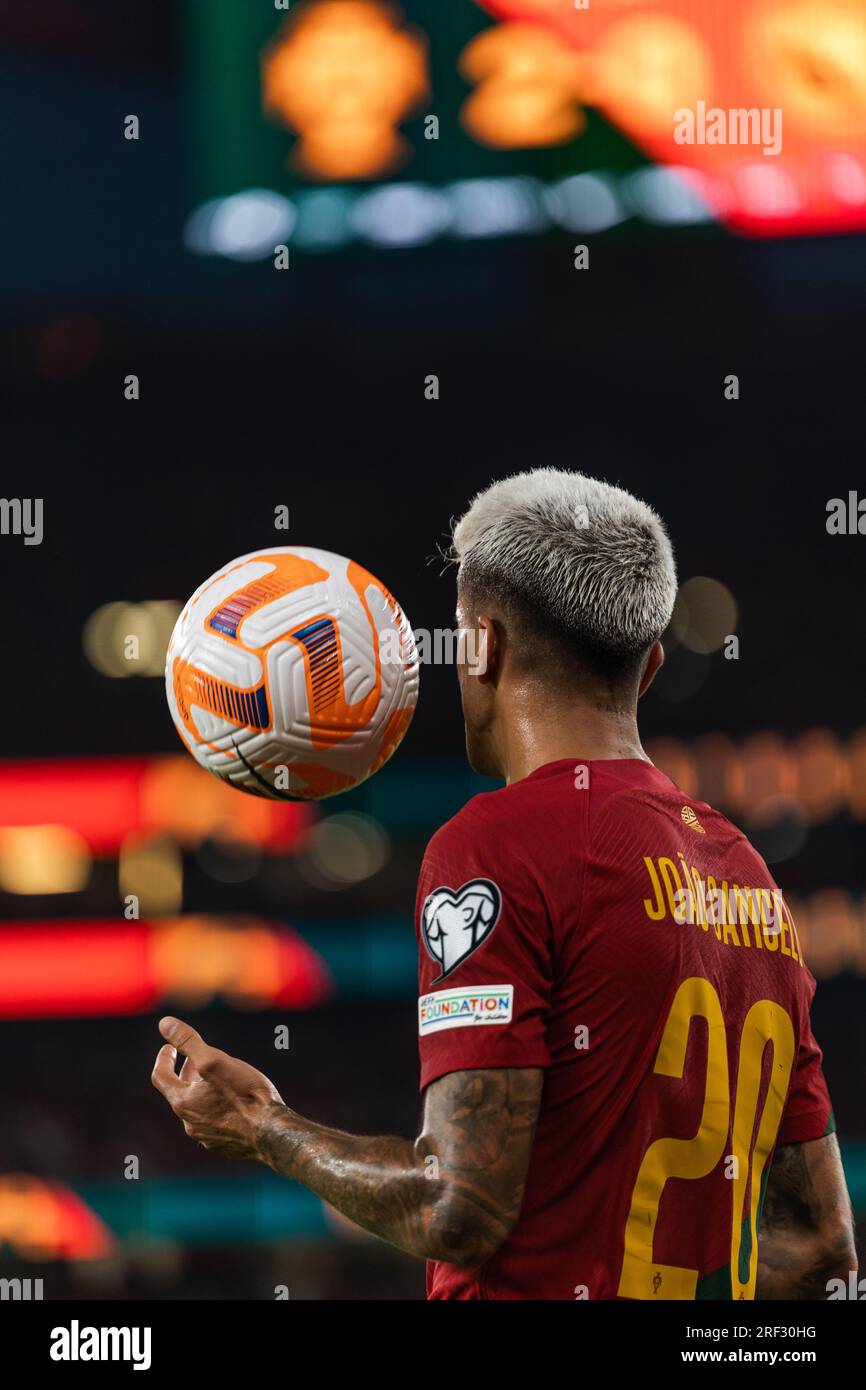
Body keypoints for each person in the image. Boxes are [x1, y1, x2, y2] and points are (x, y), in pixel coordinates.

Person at [152, 468, 856, 1300]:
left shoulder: (498, 842)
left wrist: (264, 1127)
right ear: (653, 664)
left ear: (482, 644)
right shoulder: (747, 875)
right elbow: (819, 1250)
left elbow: (460, 1207)